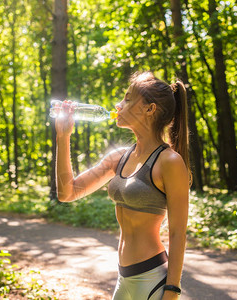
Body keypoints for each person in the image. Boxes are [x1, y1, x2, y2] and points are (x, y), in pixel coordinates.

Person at [55, 71, 191, 300]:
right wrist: (63, 136)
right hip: (124, 278)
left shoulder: (170, 162)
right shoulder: (119, 158)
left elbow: (178, 233)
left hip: (152, 279)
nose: (118, 105)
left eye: (128, 99)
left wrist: (172, 291)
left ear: (150, 109)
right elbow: (67, 192)